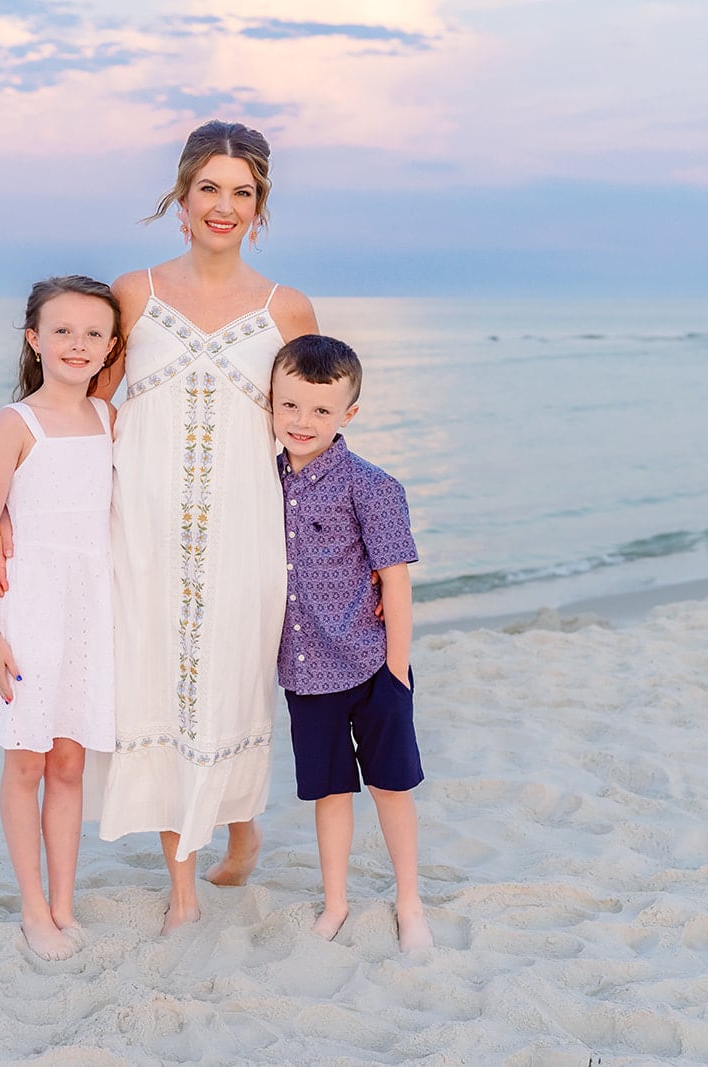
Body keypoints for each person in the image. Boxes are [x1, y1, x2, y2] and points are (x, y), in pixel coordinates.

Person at [89, 119, 318, 933]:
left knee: (232, 688)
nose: (224, 205)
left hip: (247, 536)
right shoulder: (134, 293)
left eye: (242, 192)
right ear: (181, 199)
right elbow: (91, 407)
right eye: (209, 188)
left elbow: (312, 432)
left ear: (259, 209)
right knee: (154, 687)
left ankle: (242, 825)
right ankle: (181, 890)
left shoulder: (286, 307)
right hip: (144, 534)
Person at [0, 275, 123, 961]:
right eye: (62, 331)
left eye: (93, 332)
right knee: (25, 760)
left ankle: (64, 902)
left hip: (90, 605)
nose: (77, 344)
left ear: (112, 344)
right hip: (28, 606)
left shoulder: (109, 418)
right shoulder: (15, 423)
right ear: (34, 339)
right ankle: (33, 909)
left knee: (69, 760)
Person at [269, 334, 434, 953]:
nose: (302, 422)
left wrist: (395, 674)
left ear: (348, 415)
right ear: (273, 404)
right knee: (330, 791)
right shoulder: (265, 480)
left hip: (369, 663)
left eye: (319, 410)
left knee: (392, 785)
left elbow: (395, 580)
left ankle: (409, 900)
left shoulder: (373, 485)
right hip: (304, 671)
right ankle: (335, 902)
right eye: (290, 406)